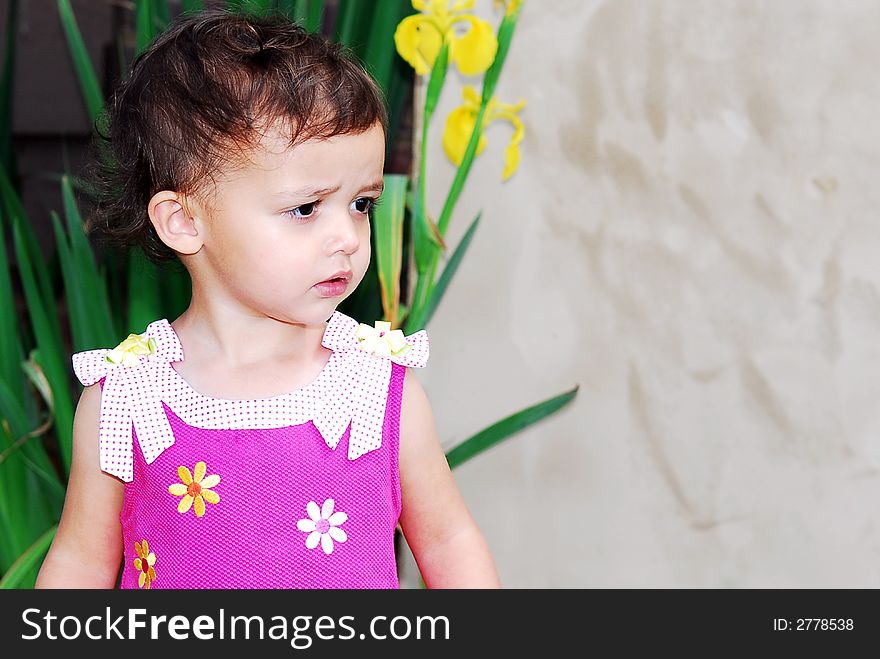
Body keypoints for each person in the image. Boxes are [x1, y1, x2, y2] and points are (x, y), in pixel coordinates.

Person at [36, 8, 500, 589]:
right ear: (182, 221)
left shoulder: (376, 389)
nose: (347, 238)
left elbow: (449, 540)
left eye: (362, 204)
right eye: (306, 208)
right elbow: (81, 562)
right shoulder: (128, 398)